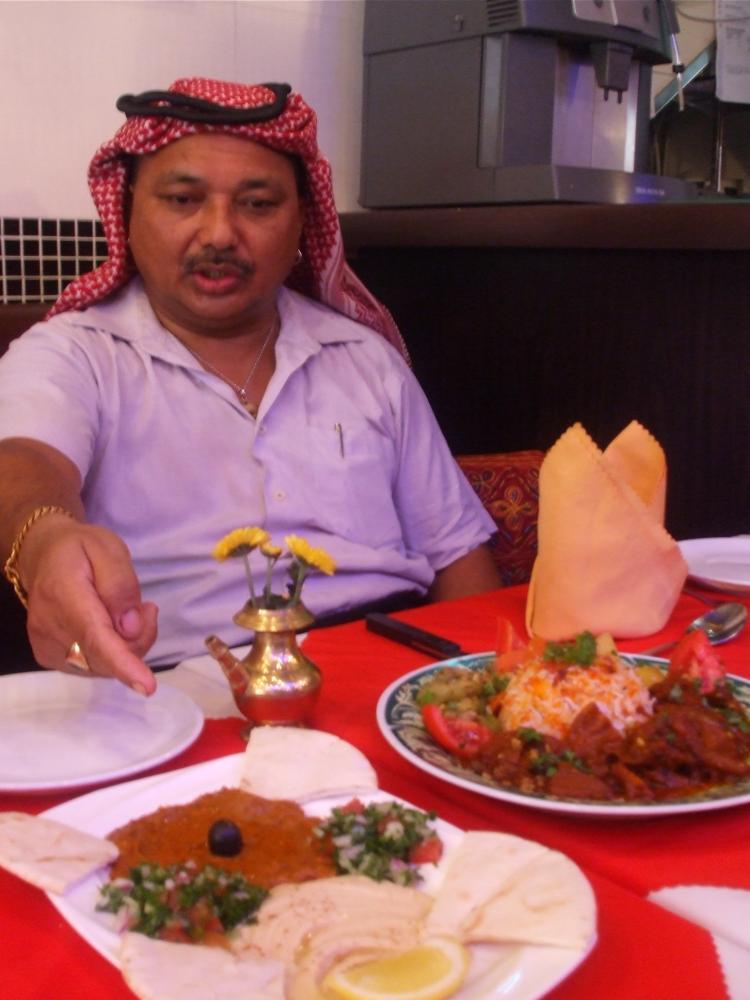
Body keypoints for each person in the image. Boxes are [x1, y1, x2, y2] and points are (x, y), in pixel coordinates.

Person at [0, 78, 500, 695]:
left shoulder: (365, 359)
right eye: (183, 200)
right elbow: (24, 463)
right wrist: (47, 536)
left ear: (300, 225)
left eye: (257, 204)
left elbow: (457, 557)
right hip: (175, 690)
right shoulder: (75, 352)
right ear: (128, 213)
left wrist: (480, 694)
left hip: (392, 672)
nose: (218, 234)